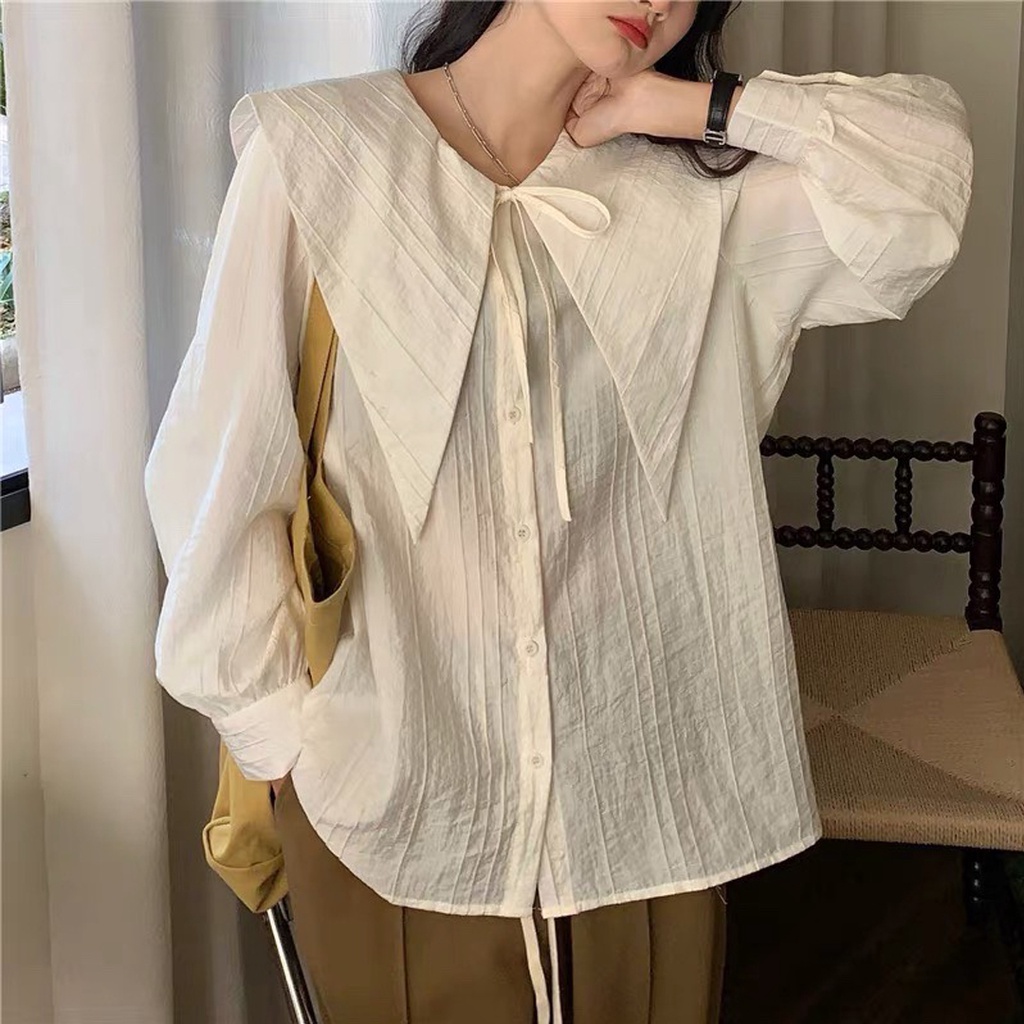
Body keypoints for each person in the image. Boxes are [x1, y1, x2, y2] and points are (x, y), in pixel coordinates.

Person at [143, 1, 974, 1021]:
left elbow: (926, 174)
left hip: (644, 800)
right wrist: (278, 740)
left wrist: (687, 107)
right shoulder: (323, 154)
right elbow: (223, 470)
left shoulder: (704, 203)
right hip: (400, 801)